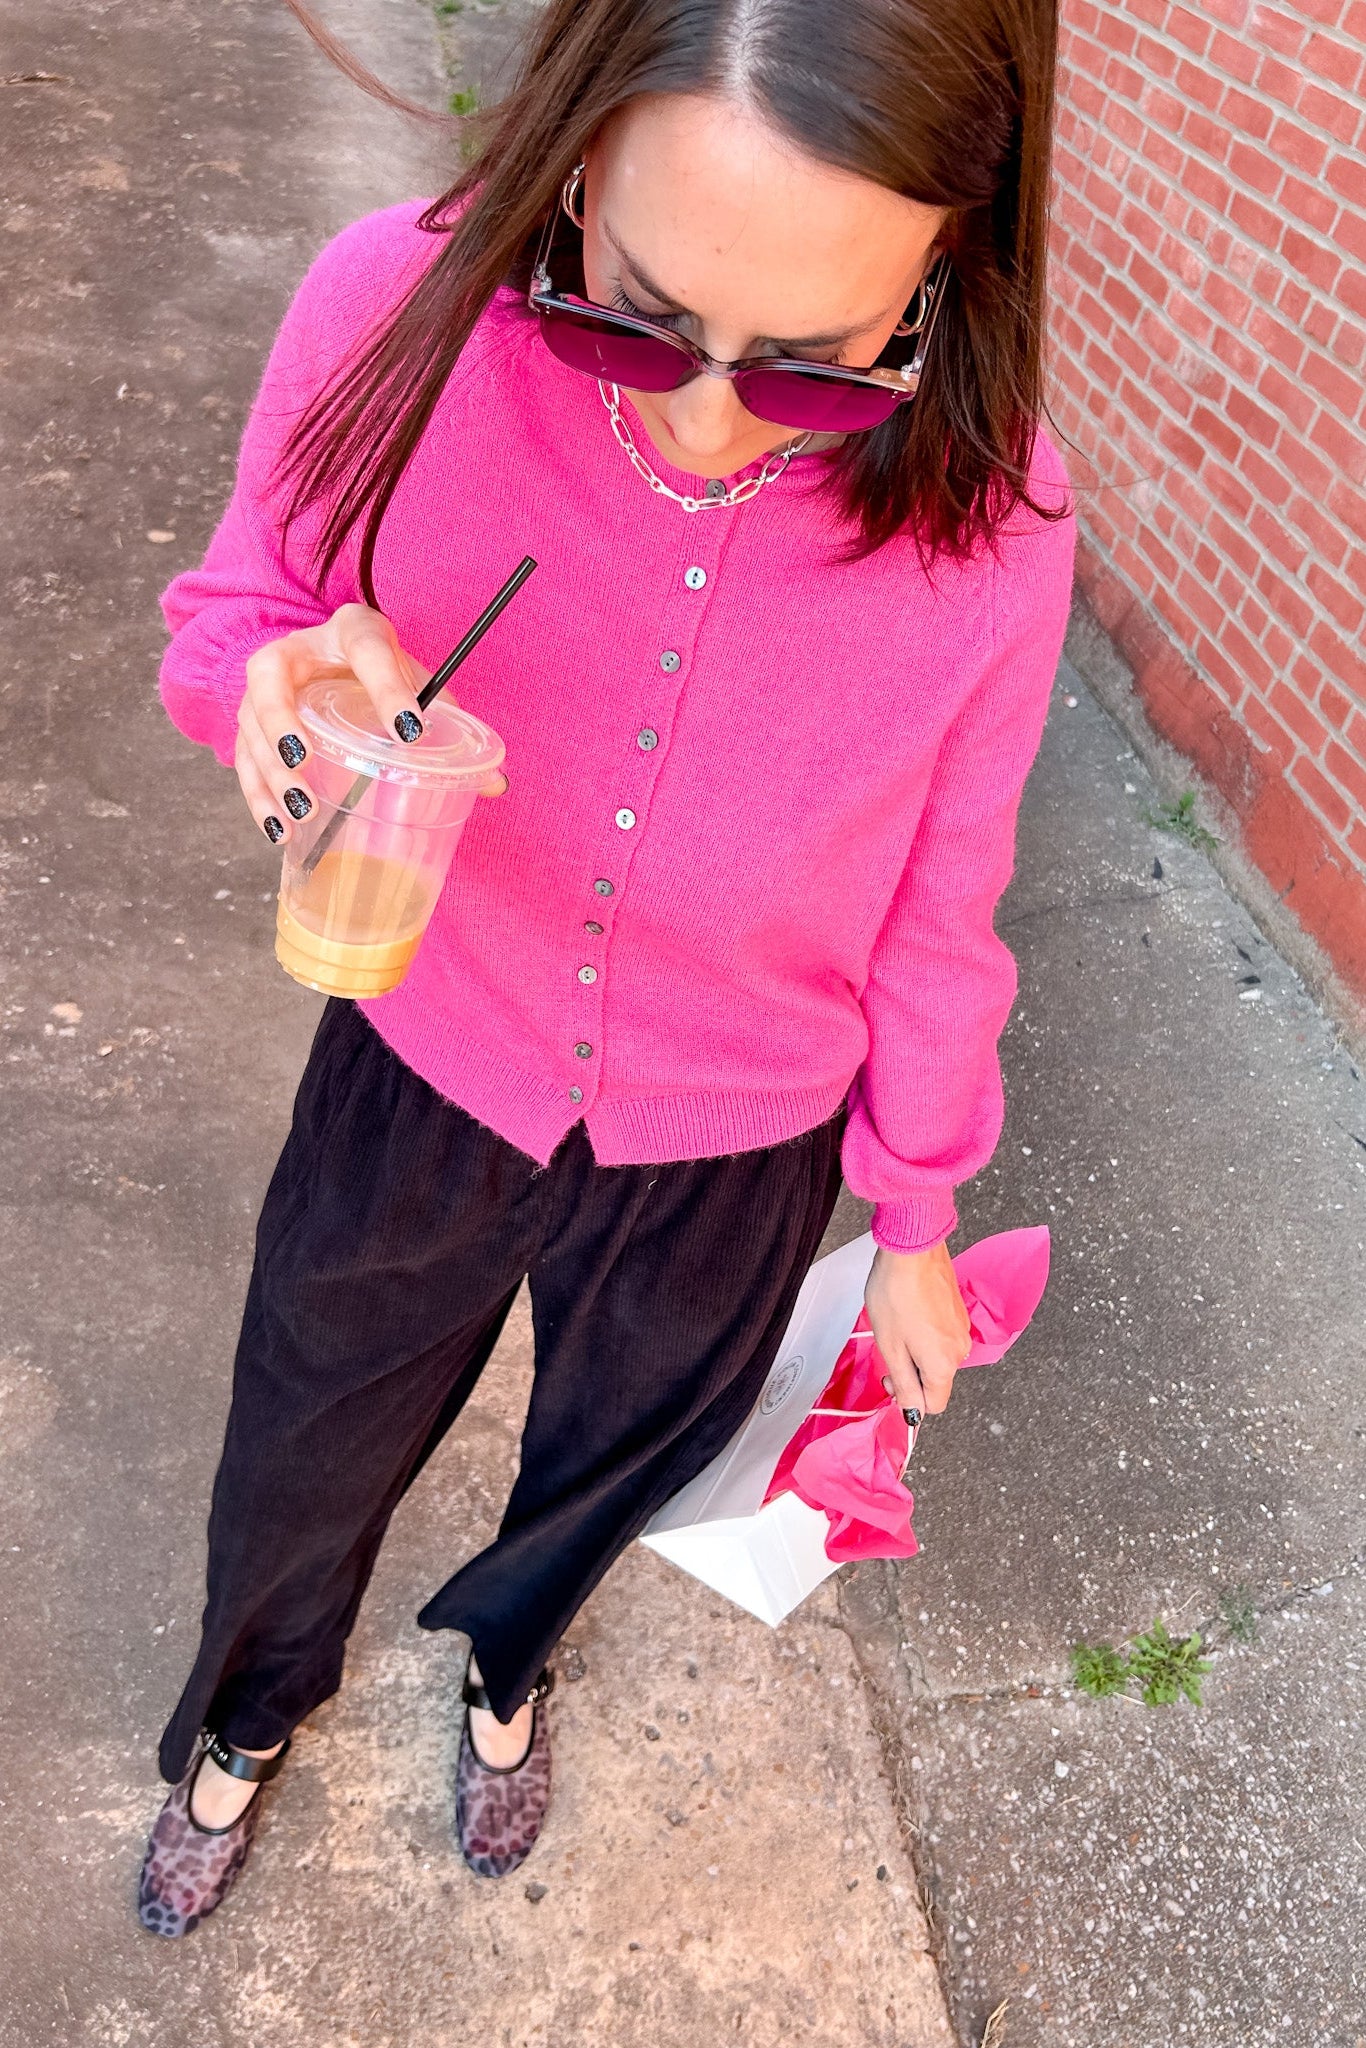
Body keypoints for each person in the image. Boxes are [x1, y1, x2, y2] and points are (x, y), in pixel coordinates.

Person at [137, 0, 1076, 1936]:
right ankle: (248, 1712)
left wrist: (914, 1217)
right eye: (632, 317)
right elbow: (239, 611)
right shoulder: (395, 313)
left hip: (736, 1149)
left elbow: (938, 908)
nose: (706, 418)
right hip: (423, 1057)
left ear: (946, 271)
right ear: (568, 157)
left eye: (821, 367)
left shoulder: (993, 526)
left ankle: (512, 1672)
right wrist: (269, 697)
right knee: (305, 1432)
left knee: (610, 1463)